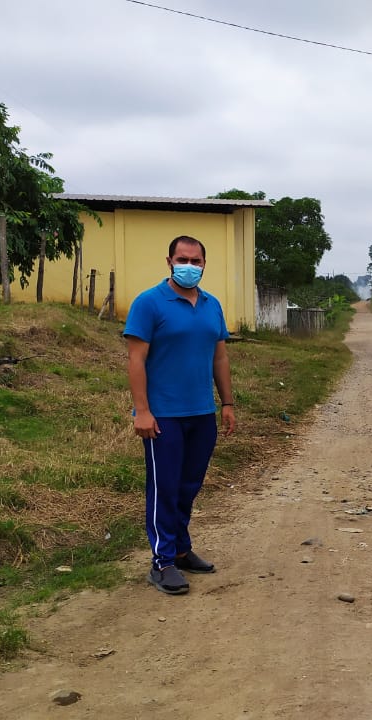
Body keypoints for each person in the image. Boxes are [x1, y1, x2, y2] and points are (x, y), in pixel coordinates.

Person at [124, 235, 237, 595]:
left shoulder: (211, 305)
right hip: (163, 416)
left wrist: (228, 403)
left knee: (189, 486)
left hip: (202, 413)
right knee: (165, 487)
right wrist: (142, 411)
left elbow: (220, 357)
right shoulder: (149, 303)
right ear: (169, 261)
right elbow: (136, 360)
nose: (189, 266)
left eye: (196, 261)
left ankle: (181, 549)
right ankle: (162, 562)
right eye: (182, 259)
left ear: (204, 264)